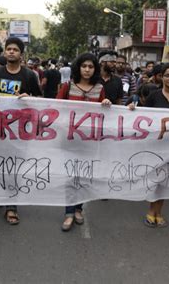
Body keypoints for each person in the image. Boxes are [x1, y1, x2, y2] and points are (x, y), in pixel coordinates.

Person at [0, 37, 42, 225]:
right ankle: (0, 193)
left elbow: (40, 99)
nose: (11, 52)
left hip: (19, 130)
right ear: (5, 52)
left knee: (13, 166)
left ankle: (11, 206)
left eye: (15, 49)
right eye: (9, 49)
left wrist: (30, 97)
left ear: (21, 54)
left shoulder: (29, 76)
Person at [128, 62, 169, 227]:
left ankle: (159, 211)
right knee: (156, 179)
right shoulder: (154, 96)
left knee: (167, 179)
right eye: (167, 75)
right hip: (157, 145)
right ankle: (151, 211)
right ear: (161, 77)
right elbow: (143, 116)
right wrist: (131, 109)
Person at [56, 52, 112, 231]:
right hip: (70, 139)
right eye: (84, 66)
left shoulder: (99, 88)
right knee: (71, 176)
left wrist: (106, 103)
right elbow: (56, 108)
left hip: (90, 140)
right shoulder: (67, 86)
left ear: (95, 69)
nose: (87, 70)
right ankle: (69, 212)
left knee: (85, 175)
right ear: (78, 68)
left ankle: (79, 209)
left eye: (90, 67)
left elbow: (106, 112)